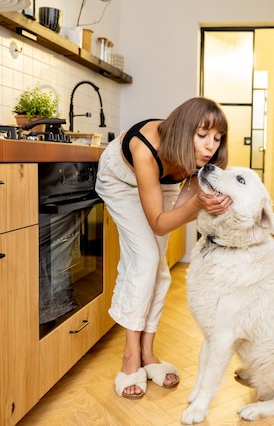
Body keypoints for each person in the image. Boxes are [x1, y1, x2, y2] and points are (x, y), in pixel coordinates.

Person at [95, 97, 231, 398]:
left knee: (158, 267)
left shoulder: (204, 161)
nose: (211, 146)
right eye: (202, 135)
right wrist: (197, 203)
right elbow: (159, 222)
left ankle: (147, 353)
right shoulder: (146, 148)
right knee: (144, 259)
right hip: (121, 181)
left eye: (217, 138)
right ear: (185, 131)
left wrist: (203, 204)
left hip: (161, 183)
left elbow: (171, 220)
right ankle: (130, 357)